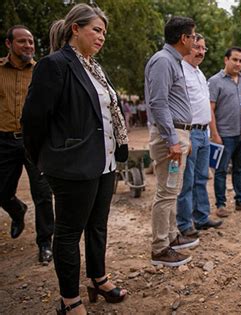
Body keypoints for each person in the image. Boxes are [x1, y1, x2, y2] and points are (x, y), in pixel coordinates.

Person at [22, 4, 128, 314]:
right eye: (96, 29)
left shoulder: (95, 68)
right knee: (68, 233)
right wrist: (46, 158)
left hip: (105, 162)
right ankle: (70, 300)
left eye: (104, 32)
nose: (101, 37)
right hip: (73, 166)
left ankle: (98, 278)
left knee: (98, 226)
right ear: (75, 29)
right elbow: (33, 120)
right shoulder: (54, 65)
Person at [145, 16, 199, 268]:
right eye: (194, 36)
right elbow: (158, 102)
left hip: (178, 135)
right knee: (166, 191)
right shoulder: (163, 61)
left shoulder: (173, 61)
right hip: (172, 136)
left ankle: (171, 236)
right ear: (183, 38)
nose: (196, 41)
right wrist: (171, 139)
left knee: (172, 190)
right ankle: (160, 248)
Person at [0, 25, 54, 263]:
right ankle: (16, 209)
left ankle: (45, 243)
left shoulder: (42, 70)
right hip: (4, 140)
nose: (29, 46)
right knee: (1, 191)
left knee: (42, 193)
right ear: (9, 44)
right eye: (22, 42)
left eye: (31, 42)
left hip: (36, 141)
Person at [176, 34, 222, 237]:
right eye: (197, 47)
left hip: (203, 133)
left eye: (204, 48)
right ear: (187, 46)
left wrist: (212, 132)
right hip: (190, 132)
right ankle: (185, 224)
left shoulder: (199, 73)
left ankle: (201, 218)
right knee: (187, 181)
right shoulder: (180, 72)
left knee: (201, 178)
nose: (201, 52)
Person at [208, 47, 241, 218]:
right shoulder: (215, 81)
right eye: (235, 60)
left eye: (240, 60)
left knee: (239, 169)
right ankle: (221, 204)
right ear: (226, 60)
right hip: (225, 134)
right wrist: (215, 134)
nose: (238, 63)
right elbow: (210, 109)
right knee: (221, 170)